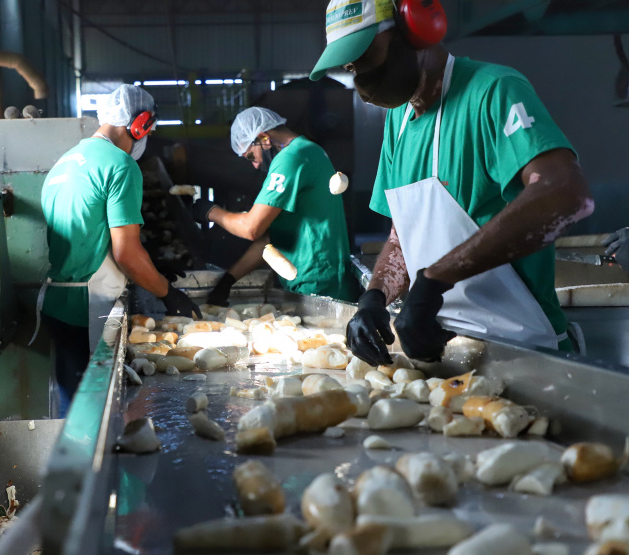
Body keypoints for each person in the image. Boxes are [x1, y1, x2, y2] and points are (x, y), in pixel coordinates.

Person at [309, 0, 594, 364]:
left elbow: (565, 192)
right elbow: (403, 238)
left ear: (414, 26)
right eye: (351, 68)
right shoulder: (397, 123)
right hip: (443, 352)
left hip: (523, 353)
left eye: (365, 56)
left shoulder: (492, 91)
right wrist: (375, 296)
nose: (361, 79)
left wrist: (435, 280)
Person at [36, 84, 201, 414]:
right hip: (89, 309)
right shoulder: (120, 165)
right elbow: (126, 254)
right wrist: (168, 293)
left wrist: (149, 262)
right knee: (95, 419)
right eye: (148, 130)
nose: (146, 138)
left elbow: (90, 234)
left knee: (73, 413)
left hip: (56, 305)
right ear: (139, 124)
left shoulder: (64, 163)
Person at [192, 107, 357, 306]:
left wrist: (211, 212)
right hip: (318, 278)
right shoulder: (309, 150)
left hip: (316, 283)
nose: (254, 165)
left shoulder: (291, 158)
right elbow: (271, 238)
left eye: (251, 156)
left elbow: (251, 228)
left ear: (263, 138)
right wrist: (228, 280)